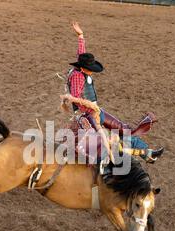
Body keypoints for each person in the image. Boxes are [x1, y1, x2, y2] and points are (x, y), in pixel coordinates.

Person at [67, 22, 164, 163]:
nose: (92, 71)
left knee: (122, 129)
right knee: (107, 142)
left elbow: (81, 53)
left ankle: (147, 153)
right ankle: (138, 154)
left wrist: (81, 36)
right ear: (83, 68)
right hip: (88, 115)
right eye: (90, 68)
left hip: (96, 111)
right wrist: (91, 109)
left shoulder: (81, 67)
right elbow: (75, 98)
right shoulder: (77, 76)